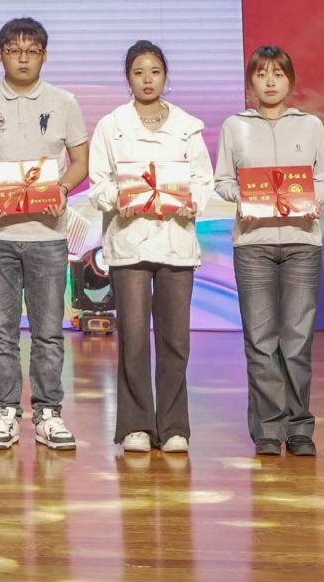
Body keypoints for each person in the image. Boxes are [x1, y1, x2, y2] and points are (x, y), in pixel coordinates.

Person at [0, 16, 89, 452]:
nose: (23, 58)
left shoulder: (64, 102)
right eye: (14, 50)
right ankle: (5, 412)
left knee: (49, 331)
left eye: (32, 51)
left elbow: (80, 162)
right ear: (0, 54)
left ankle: (48, 414)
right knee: (0, 332)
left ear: (44, 56)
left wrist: (62, 189)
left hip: (47, 234)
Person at [87, 40, 213, 454]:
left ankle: (174, 426)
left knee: (176, 339)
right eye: (139, 72)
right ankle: (136, 424)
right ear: (128, 77)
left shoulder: (187, 126)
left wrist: (191, 200)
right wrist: (118, 198)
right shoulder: (112, 125)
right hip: (130, 241)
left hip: (176, 240)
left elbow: (203, 180)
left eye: (155, 72)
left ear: (165, 76)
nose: (147, 80)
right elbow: (99, 182)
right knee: (135, 338)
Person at [212, 46, 324, 457]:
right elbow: (223, 181)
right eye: (262, 74)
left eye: (278, 74)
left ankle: (299, 427)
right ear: (251, 81)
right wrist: (246, 197)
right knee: (261, 340)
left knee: (297, 340)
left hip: (302, 242)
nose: (270, 81)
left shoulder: (310, 126)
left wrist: (306, 199)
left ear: (291, 81)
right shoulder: (235, 126)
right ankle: (268, 428)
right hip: (254, 244)